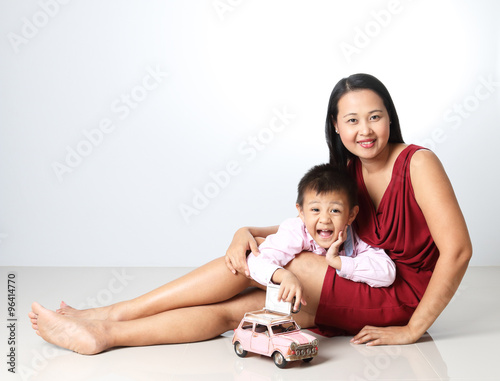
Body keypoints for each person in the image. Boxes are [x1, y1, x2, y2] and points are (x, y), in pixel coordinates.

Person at [29, 73, 472, 354]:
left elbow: (457, 252)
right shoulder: (346, 171)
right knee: (242, 310)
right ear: (336, 127)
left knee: (281, 264)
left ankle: (113, 313)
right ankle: (104, 332)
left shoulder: (417, 162)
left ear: (390, 119)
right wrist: (249, 230)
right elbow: (317, 225)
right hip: (354, 276)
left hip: (397, 291)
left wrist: (413, 329)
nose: (365, 130)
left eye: (374, 117)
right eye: (351, 121)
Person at [248, 163, 396, 313]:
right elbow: (256, 260)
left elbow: (387, 273)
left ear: (351, 215)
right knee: (239, 271)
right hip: (278, 286)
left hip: (310, 305)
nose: (325, 219)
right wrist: (284, 276)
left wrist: (338, 262)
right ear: (301, 212)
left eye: (335, 210)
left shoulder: (358, 238)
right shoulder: (297, 230)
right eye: (315, 209)